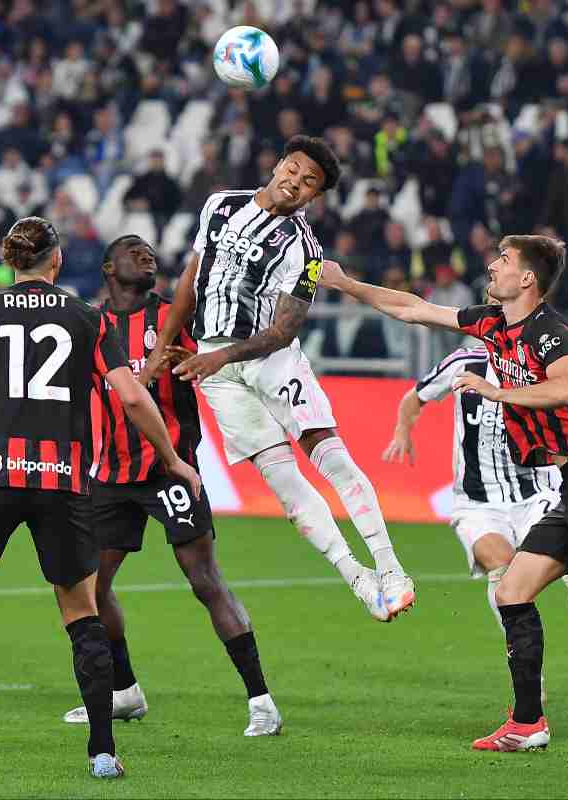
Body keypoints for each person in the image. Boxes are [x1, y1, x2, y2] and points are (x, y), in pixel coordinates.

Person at [318, 235, 568, 759]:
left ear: (527, 279)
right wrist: (346, 284)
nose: (493, 265)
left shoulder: (552, 333)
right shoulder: (489, 323)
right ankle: (528, 722)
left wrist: (496, 391)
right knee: (511, 591)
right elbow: (413, 308)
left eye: (504, 260)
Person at [0, 217, 202, 778]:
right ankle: (102, 753)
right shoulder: (87, 319)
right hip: (62, 482)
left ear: (10, 261)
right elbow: (134, 399)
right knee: (81, 613)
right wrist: (172, 459)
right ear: (58, 261)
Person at [141, 135, 414, 621]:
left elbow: (283, 330)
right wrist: (161, 350)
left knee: (333, 460)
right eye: (293, 168)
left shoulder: (304, 250)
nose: (295, 182)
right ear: (277, 164)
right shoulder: (219, 205)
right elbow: (191, 280)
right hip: (215, 366)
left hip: (270, 361)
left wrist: (221, 357)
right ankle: (358, 578)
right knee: (285, 487)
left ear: (315, 197)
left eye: (309, 182)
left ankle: (391, 569)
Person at [60, 235, 280, 737]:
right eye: (133, 250)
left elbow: (225, 353)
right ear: (107, 268)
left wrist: (198, 362)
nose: (146, 255)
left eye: (150, 252)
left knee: (204, 580)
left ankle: (262, 701)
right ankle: (123, 693)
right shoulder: (90, 325)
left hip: (171, 467)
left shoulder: (176, 316)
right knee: (91, 587)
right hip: (112, 474)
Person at [388, 357, 568, 701]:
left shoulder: (541, 367)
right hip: (477, 503)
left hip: (536, 494)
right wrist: (402, 432)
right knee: (502, 569)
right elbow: (413, 398)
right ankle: (530, 680)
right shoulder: (462, 364)